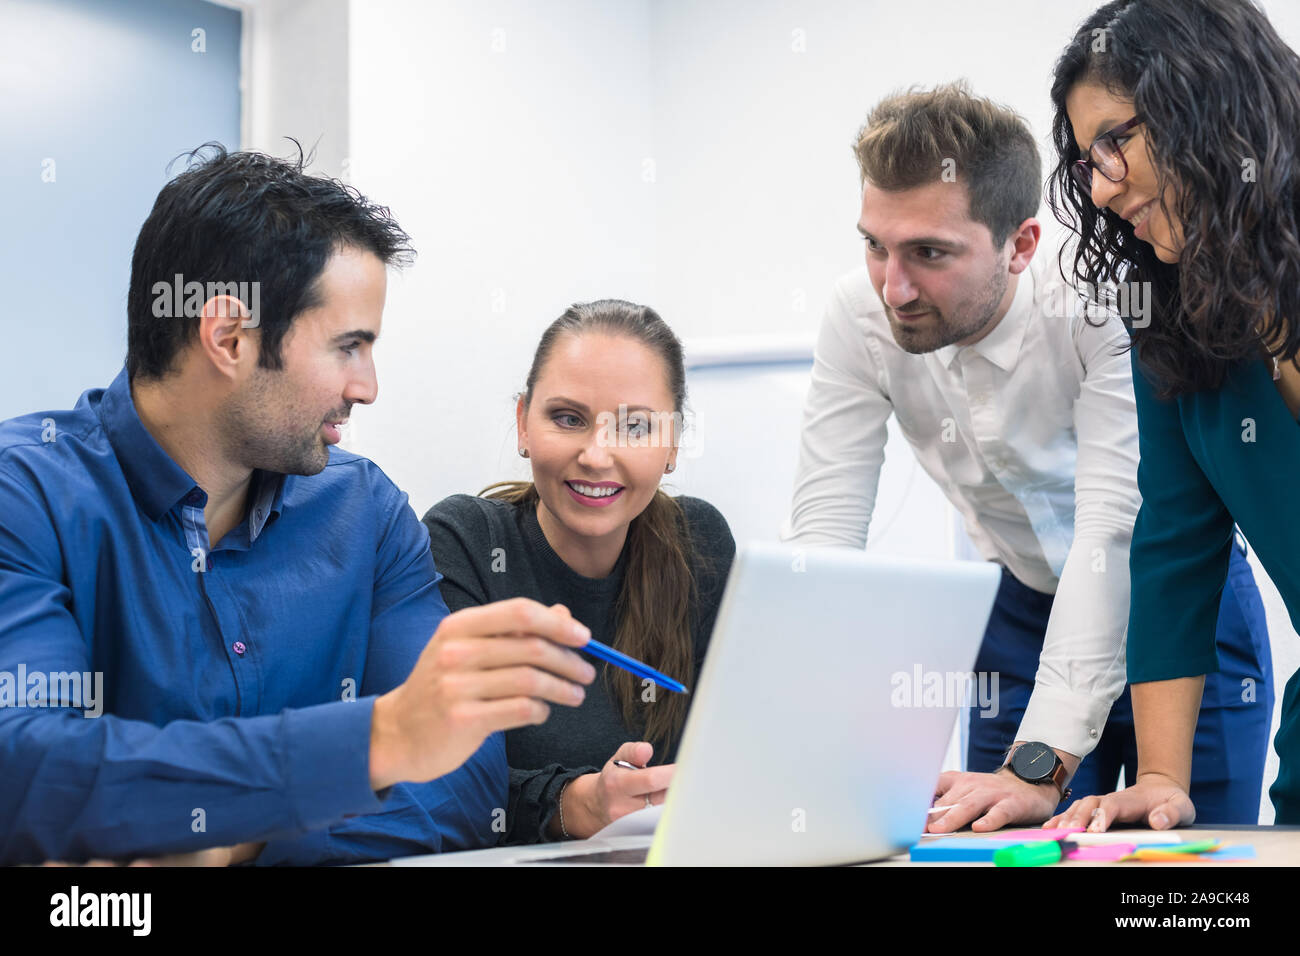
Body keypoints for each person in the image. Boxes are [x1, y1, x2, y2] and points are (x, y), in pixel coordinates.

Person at [0, 144, 598, 865]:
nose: (368, 386)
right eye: (348, 347)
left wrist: (227, 840)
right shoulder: (24, 495)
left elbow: (464, 784)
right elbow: (25, 769)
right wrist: (374, 745)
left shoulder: (368, 513)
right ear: (229, 336)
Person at [782, 82, 1272, 831]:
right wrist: (801, 737)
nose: (894, 287)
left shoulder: (1101, 297)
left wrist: (1039, 761)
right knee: (991, 835)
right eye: (875, 245)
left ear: (1021, 245)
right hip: (1018, 611)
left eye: (929, 253)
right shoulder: (858, 314)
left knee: (1189, 867)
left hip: (1177, 600)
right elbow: (826, 540)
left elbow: (1112, 529)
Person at [1044, 0, 1300, 830]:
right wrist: (1159, 775)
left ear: (1214, 103)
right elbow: (1174, 546)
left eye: (1116, 140)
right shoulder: (1178, 318)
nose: (1102, 182)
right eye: (1088, 160)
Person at [422, 299, 736, 843]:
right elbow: (438, 783)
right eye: (568, 419)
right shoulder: (466, 542)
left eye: (635, 426)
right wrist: (574, 806)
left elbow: (744, 746)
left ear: (674, 444)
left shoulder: (699, 544)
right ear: (523, 423)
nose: (596, 455)